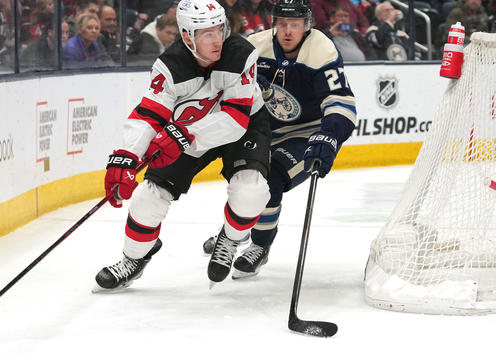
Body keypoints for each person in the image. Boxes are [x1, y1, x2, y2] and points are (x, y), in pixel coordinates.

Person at [94, 0, 271, 291]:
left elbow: (235, 120)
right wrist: (125, 156)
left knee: (251, 191)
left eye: (220, 30)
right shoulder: (169, 65)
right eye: (207, 34)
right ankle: (134, 259)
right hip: (189, 132)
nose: (218, 40)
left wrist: (183, 134)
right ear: (188, 35)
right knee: (147, 199)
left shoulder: (240, 53)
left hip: (242, 126)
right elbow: (149, 114)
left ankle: (229, 238)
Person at [203, 0, 356, 280]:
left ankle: (260, 245)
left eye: (295, 25)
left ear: (307, 26)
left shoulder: (321, 50)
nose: (287, 31)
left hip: (305, 134)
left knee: (271, 178)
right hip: (263, 131)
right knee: (245, 177)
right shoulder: (255, 46)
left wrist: (329, 135)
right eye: (282, 24)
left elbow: (340, 103)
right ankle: (238, 228)